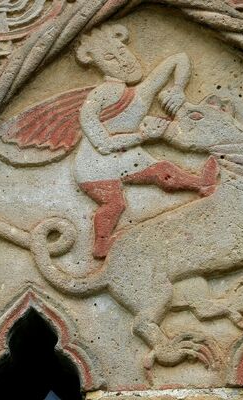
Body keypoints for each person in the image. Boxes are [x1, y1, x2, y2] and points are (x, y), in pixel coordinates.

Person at [73, 24, 218, 258]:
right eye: (111, 58)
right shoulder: (97, 99)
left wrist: (178, 88)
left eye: (123, 52)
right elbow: (103, 144)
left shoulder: (140, 94)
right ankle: (101, 245)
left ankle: (201, 184)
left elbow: (178, 59)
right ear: (97, 64)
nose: (124, 62)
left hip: (125, 157)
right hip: (94, 166)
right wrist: (143, 136)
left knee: (163, 170)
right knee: (115, 204)